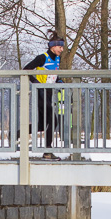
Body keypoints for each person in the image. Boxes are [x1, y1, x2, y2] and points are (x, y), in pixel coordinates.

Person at [23, 32, 65, 160]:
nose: (62, 50)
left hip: (49, 93)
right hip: (40, 93)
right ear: (53, 47)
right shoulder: (42, 58)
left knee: (41, 125)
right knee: (54, 120)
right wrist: (35, 82)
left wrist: (59, 81)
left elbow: (53, 74)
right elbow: (26, 69)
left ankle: (16, 133)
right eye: (60, 47)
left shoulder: (57, 59)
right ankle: (47, 152)